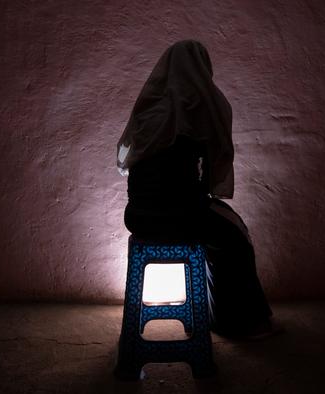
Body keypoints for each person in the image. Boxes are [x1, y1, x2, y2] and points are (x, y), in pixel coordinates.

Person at [116, 40, 275, 339]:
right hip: (181, 216)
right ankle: (241, 323)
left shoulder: (148, 105)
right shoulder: (200, 104)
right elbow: (208, 176)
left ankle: (223, 318)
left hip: (137, 216)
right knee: (234, 238)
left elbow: (133, 164)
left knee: (220, 229)